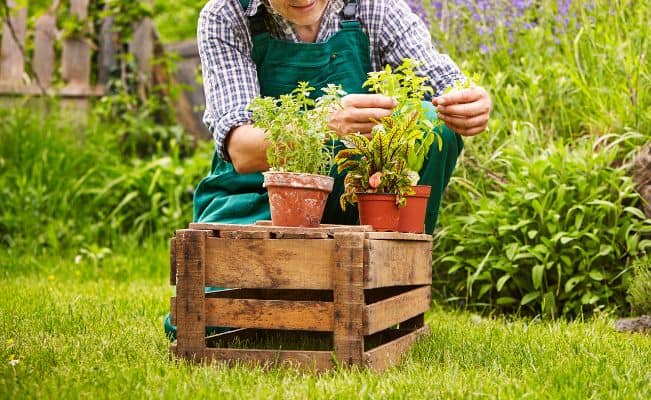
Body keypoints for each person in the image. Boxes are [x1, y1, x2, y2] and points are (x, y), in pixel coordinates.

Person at [164, 0, 490, 338]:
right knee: (212, 320)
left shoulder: (372, 7)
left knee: (434, 122)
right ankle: (316, 296)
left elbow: (447, 84)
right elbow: (242, 149)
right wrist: (323, 125)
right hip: (257, 197)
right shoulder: (227, 15)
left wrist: (469, 101)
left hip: (351, 200)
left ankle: (389, 290)